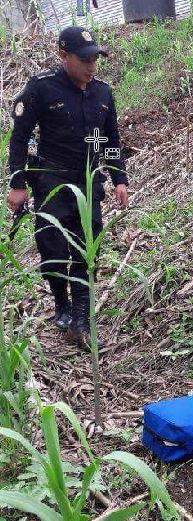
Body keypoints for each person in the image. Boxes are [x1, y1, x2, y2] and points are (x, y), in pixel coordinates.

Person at [6, 26, 128, 347]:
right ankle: (61, 302)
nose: (91, 67)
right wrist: (18, 183)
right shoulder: (42, 89)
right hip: (52, 181)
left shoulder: (102, 92)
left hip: (88, 183)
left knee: (88, 250)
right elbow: (19, 139)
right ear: (64, 55)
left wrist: (119, 179)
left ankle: (81, 317)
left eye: (95, 60)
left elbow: (111, 140)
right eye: (84, 60)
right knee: (54, 250)